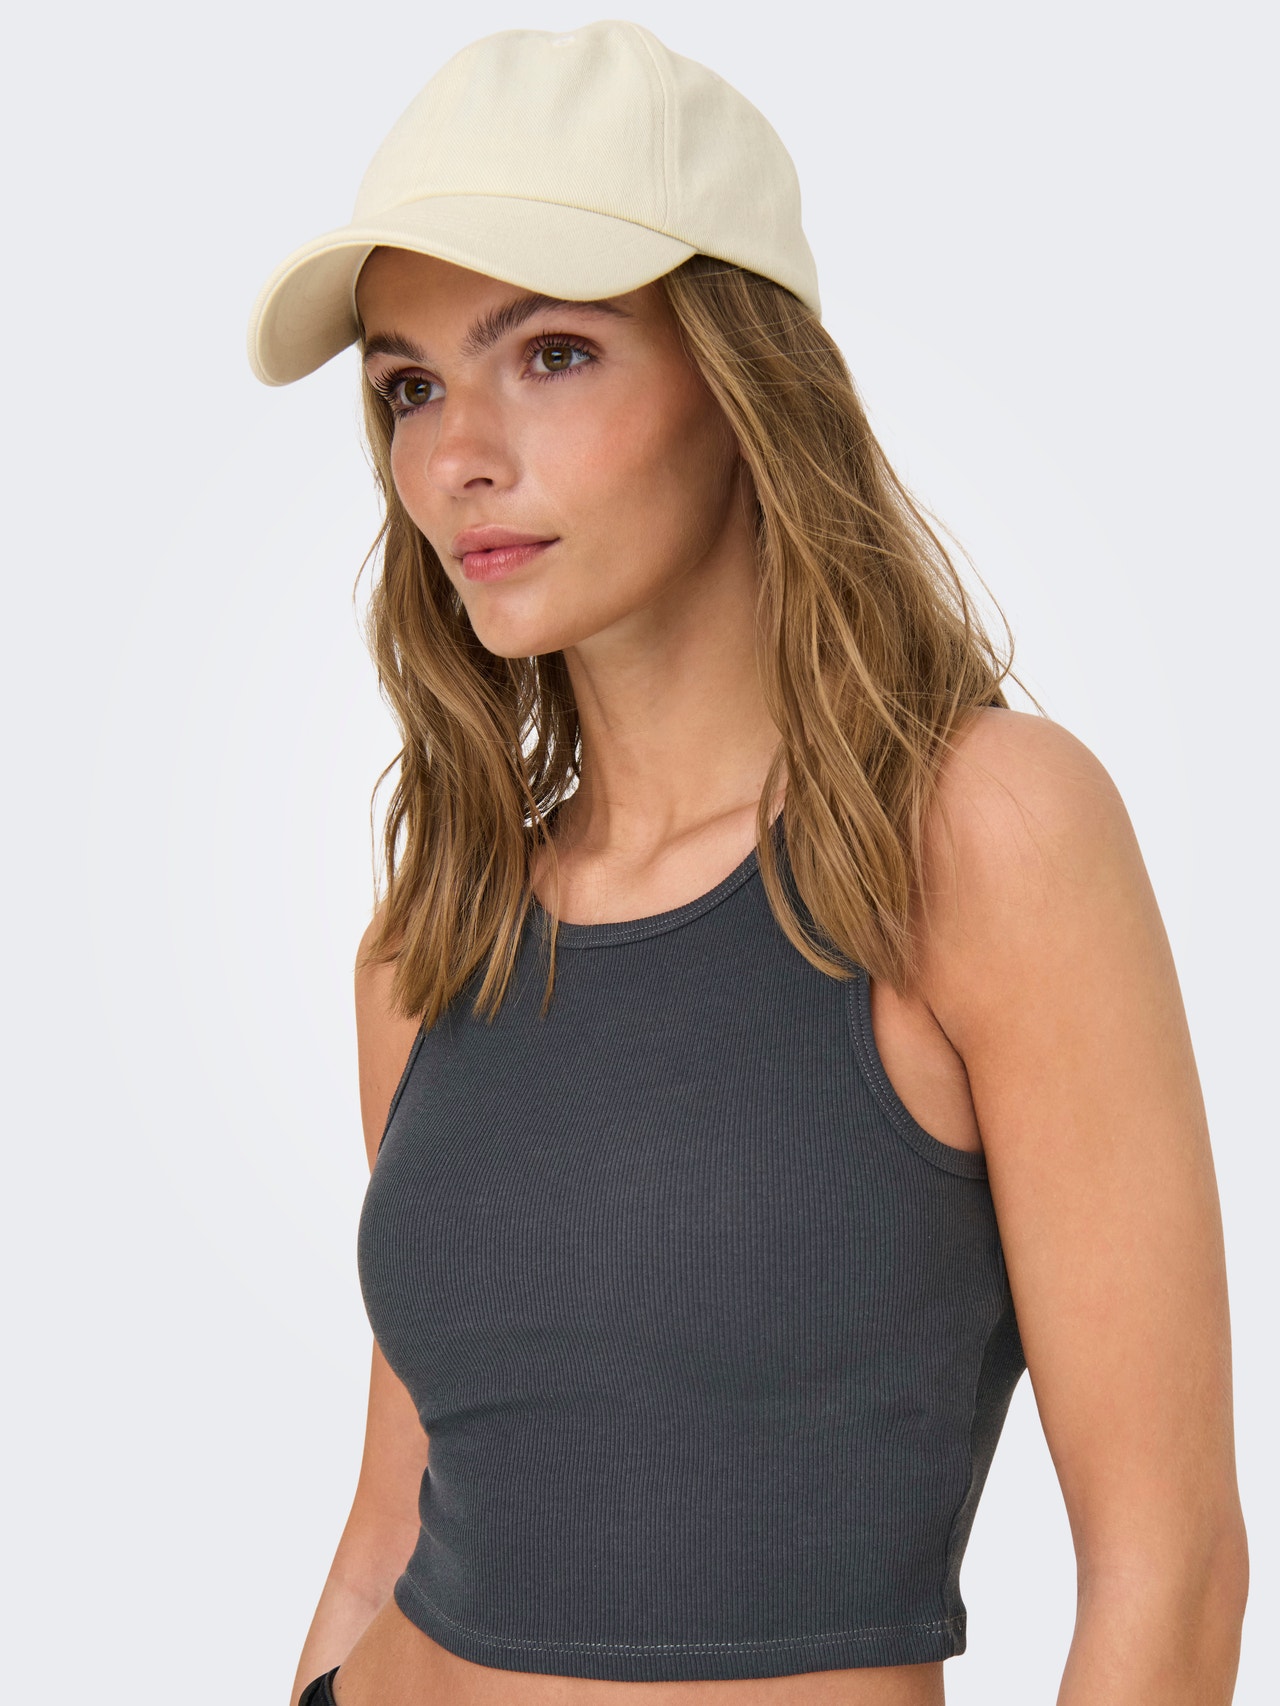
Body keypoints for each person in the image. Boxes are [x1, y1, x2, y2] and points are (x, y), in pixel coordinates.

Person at [247, 21, 1248, 1706]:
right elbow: (391, 1519)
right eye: (409, 386)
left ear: (741, 377)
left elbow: (1174, 1568)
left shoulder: (981, 835)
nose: (457, 453)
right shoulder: (433, 940)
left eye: (551, 352)